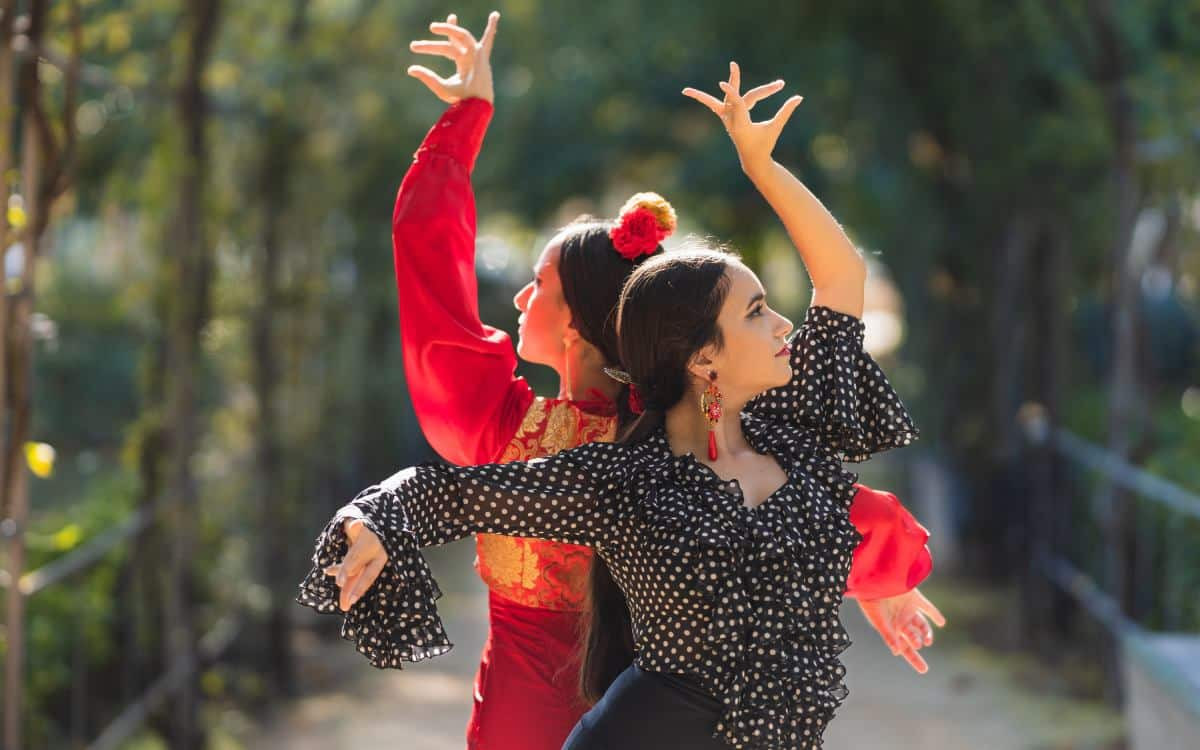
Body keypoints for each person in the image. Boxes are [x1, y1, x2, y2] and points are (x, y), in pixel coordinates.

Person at [299, 55, 942, 750]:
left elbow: (838, 293)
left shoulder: (764, 442)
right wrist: (375, 511)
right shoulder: (632, 469)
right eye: (759, 312)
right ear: (700, 355)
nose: (518, 297)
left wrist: (761, 167)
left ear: (578, 316)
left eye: (537, 283)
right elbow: (447, 495)